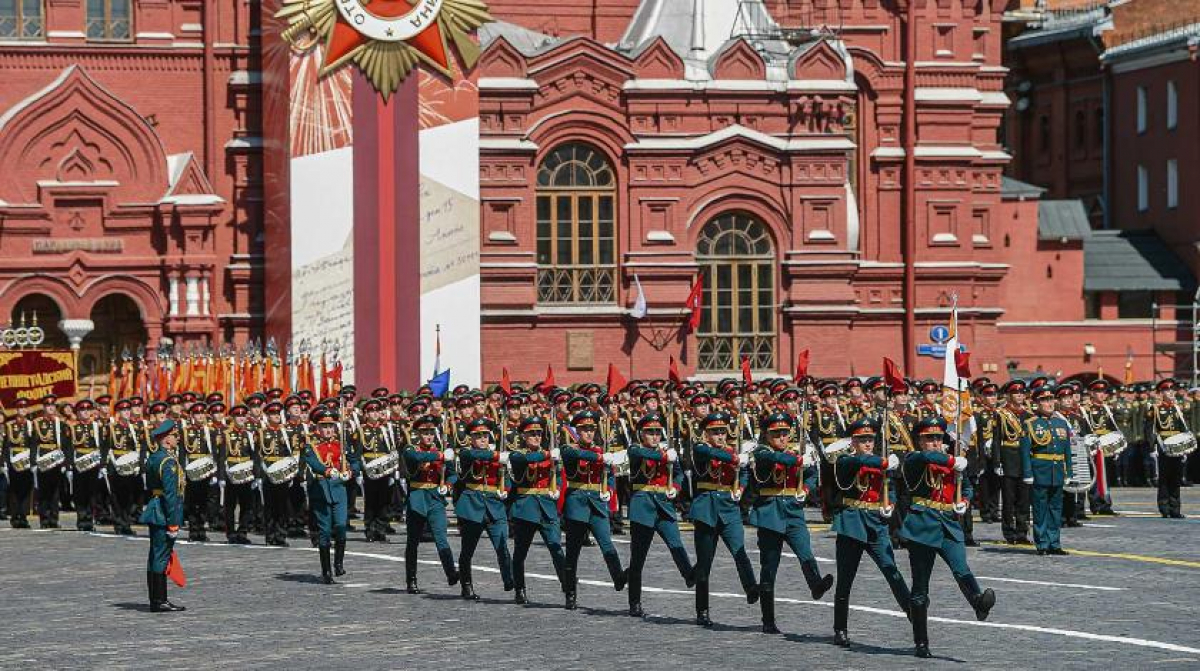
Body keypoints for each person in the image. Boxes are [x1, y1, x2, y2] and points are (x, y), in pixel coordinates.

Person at [902, 416, 996, 658]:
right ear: (920, 441)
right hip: (922, 525)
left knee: (961, 567)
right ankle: (921, 641)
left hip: (947, 524)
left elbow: (965, 486)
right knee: (920, 587)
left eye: (938, 438)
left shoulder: (951, 461)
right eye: (929, 438)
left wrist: (964, 500)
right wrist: (954, 460)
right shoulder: (915, 459)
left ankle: (977, 601)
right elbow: (928, 458)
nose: (935, 442)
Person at [749, 411, 833, 634]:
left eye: (786, 433)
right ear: (767, 435)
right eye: (777, 434)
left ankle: (815, 584)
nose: (783, 438)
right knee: (770, 567)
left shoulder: (797, 451)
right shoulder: (762, 451)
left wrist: (805, 489)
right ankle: (768, 620)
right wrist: (798, 460)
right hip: (770, 513)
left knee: (805, 552)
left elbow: (813, 473)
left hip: (793, 512)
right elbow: (773, 459)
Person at [830, 417, 910, 648]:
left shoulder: (880, 462)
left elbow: (890, 489)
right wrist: (883, 463)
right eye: (862, 439)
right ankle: (840, 628)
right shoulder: (844, 460)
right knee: (845, 580)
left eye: (870, 439)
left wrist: (890, 505)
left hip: (876, 524)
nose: (867, 443)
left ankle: (913, 615)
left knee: (891, 571)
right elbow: (856, 465)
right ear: (852, 441)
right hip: (852, 524)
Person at [690, 411, 759, 627]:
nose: (720, 436)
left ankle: (751, 588)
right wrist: (737, 458)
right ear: (706, 433)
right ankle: (702, 610)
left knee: (740, 551)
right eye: (715, 432)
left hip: (729, 509)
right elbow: (713, 456)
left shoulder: (731, 451)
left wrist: (740, 487)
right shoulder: (701, 449)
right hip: (706, 509)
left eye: (722, 432)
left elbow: (744, 473)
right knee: (705, 564)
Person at [625, 413, 695, 617]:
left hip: (664, 506)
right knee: (638, 559)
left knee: (676, 545)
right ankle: (634, 602)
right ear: (641, 434)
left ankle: (689, 576)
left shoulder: (667, 452)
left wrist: (675, 486)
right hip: (643, 507)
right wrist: (666, 457)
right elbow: (643, 456)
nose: (655, 436)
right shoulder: (635, 449)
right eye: (650, 432)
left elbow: (680, 473)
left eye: (657, 432)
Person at [561, 409, 627, 610]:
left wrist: (610, 490)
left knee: (607, 543)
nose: (589, 433)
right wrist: (601, 458)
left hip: (597, 504)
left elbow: (610, 474)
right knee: (573, 552)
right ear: (577, 431)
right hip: (577, 504)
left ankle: (619, 578)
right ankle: (570, 592)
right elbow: (574, 454)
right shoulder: (569, 449)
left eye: (591, 429)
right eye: (584, 430)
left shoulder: (601, 451)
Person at [507, 415, 568, 604]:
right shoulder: (517, 455)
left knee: (556, 549)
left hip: (547, 508)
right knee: (520, 553)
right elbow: (527, 460)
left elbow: (556, 475)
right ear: (523, 436)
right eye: (531, 434)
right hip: (525, 508)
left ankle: (568, 588)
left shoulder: (550, 455)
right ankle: (520, 589)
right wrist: (550, 455)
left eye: (538, 434)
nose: (536, 437)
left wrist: (556, 488)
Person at [454, 417, 516, 600]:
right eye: (478, 436)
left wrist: (506, 490)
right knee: (467, 551)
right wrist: (498, 456)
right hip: (472, 506)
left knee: (502, 546)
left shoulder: (498, 455)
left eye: (485, 435)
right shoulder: (466, 453)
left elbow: (509, 480)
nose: (482, 439)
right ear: (471, 438)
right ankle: (466, 585)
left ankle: (510, 580)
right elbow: (473, 456)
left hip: (494, 506)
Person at [401, 415, 459, 593]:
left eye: (431, 433)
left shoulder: (441, 450)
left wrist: (448, 485)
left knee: (441, 537)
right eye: (425, 433)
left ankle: (451, 573)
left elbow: (452, 473)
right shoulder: (411, 449)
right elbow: (416, 457)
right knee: (413, 541)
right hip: (417, 498)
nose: (428, 436)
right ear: (418, 433)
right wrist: (441, 455)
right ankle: (411, 579)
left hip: (435, 498)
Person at [302, 409, 360, 584]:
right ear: (317, 428)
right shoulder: (310, 445)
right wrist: (327, 471)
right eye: (324, 426)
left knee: (341, 526)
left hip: (339, 489)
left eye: (330, 426)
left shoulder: (342, 444)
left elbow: (355, 460)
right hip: (320, 489)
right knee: (325, 531)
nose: (328, 430)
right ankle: (326, 570)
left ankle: (339, 564)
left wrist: (351, 471)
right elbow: (313, 463)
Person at [1021, 387, 1074, 555]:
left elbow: (1066, 451)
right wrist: (1028, 473)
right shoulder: (1031, 424)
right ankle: (1042, 543)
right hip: (1040, 471)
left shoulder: (1061, 423)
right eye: (1044, 400)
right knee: (1040, 509)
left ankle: (1055, 543)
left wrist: (1069, 472)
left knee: (1056, 509)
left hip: (1057, 471)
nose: (1049, 403)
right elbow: (1025, 452)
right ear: (1037, 403)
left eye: (1051, 399)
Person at [139, 420, 185, 612]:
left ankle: (156, 599)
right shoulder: (167, 462)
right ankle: (159, 601)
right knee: (161, 556)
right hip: (163, 513)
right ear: (166, 439)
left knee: (155, 555)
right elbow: (171, 494)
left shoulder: (154, 457)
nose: (178, 439)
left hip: (155, 507)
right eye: (175, 435)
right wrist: (173, 523)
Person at [1147, 379, 1189, 519]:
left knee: (1176, 478)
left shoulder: (1177, 408)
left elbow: (1182, 427)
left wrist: (1186, 445)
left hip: (1177, 446)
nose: (1171, 392)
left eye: (1172, 390)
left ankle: (1175, 509)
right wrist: (1153, 448)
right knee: (1164, 478)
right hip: (1163, 447)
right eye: (1167, 390)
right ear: (1161, 393)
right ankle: (1164, 507)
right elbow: (1150, 429)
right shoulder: (1155, 408)